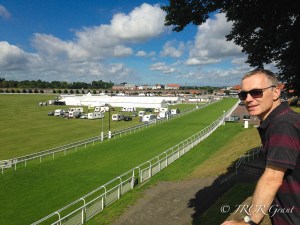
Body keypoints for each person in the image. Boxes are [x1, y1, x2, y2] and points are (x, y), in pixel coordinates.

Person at [221, 69, 300, 225]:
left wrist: (249, 222)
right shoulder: (282, 120)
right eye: (243, 95)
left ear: (276, 92)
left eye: (256, 92)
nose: (248, 99)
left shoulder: (283, 124)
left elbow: (272, 179)